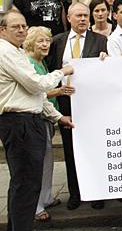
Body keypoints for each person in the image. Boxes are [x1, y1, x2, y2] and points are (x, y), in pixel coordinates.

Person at [0, 10, 73, 231]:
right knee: (27, 184)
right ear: (2, 30)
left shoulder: (16, 51)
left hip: (27, 121)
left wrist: (58, 117)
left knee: (23, 182)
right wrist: (62, 71)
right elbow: (37, 85)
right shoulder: (6, 52)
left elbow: (35, 95)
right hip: (19, 123)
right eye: (16, 27)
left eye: (24, 26)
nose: (22, 30)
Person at [46, 2, 108, 211]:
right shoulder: (58, 41)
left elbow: (106, 69)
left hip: (92, 103)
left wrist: (104, 60)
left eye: (86, 16)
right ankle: (75, 193)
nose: (83, 19)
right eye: (79, 16)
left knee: (94, 147)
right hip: (66, 103)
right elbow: (52, 70)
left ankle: (97, 192)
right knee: (71, 149)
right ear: (69, 18)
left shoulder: (100, 40)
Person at [23, 27, 70, 222]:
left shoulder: (40, 62)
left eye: (47, 41)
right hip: (36, 118)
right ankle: (37, 206)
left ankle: (46, 197)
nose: (45, 45)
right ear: (30, 43)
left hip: (47, 116)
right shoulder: (29, 63)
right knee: (37, 163)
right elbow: (38, 90)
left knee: (47, 160)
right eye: (40, 41)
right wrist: (58, 91)